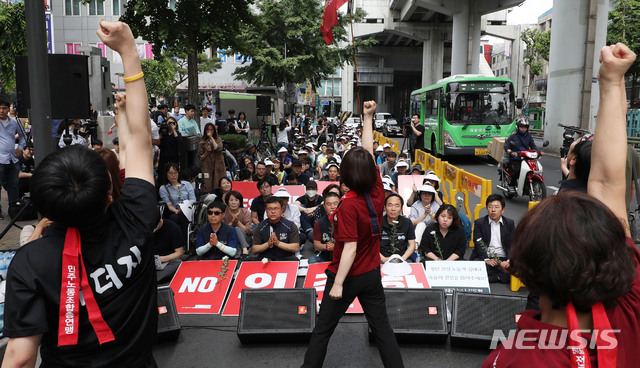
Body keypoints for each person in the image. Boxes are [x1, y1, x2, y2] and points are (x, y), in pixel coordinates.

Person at [2, 21, 159, 367]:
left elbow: (21, 356)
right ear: (108, 194)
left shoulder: (31, 263)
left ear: (46, 207)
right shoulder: (135, 216)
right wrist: (129, 52)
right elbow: (143, 141)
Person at [484, 43, 640, 368]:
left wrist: (610, 83)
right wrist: (612, 82)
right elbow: (610, 186)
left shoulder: (515, 359)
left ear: (527, 269)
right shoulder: (630, 307)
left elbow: (607, 187)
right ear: (613, 258)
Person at [303, 100, 403, 368]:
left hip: (346, 275)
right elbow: (369, 152)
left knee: (322, 331)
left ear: (346, 175)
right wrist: (367, 118)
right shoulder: (378, 190)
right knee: (382, 330)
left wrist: (337, 284)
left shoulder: (348, 206)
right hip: (371, 275)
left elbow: (349, 248)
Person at [470, 194, 515, 284]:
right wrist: (487, 260)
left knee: (519, 267)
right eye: (490, 207)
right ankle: (499, 277)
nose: (493, 210)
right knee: (476, 266)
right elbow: (478, 243)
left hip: (503, 257)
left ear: (503, 210)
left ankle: (490, 277)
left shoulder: (509, 223)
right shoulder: (479, 223)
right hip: (485, 257)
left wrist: (508, 261)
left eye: (496, 207)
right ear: (487, 208)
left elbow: (513, 243)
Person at [251, 196, 300, 261]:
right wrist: (268, 244)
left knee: (295, 260)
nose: (273, 212)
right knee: (248, 260)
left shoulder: (290, 225)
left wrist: (278, 243)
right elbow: (254, 249)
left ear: (281, 209)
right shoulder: (260, 226)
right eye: (270, 209)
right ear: (266, 210)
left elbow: (295, 248)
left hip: (284, 258)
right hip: (265, 258)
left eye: (276, 209)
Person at [159, 162, 197, 239]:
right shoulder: (163, 188)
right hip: (175, 210)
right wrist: (175, 210)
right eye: (170, 173)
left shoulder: (186, 184)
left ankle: (184, 240)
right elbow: (169, 204)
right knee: (174, 218)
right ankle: (177, 241)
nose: (173, 175)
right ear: (166, 174)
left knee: (183, 215)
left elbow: (193, 199)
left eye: (175, 172)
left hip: (189, 209)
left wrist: (186, 205)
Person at [504, 117, 539, 190]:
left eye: (525, 127)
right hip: (516, 158)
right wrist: (510, 151)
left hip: (526, 157)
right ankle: (512, 185)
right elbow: (506, 144)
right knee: (517, 170)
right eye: (521, 127)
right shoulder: (513, 136)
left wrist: (538, 152)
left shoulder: (528, 136)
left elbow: (533, 145)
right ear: (518, 127)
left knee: (534, 169)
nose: (523, 129)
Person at [380, 193, 416, 263]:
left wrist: (402, 258)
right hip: (382, 259)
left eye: (397, 206)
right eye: (390, 205)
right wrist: (383, 259)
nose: (393, 209)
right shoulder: (378, 222)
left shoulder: (407, 223)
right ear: (384, 207)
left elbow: (412, 245)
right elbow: (372, 245)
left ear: (401, 208)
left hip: (402, 258)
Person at [308, 192, 340, 264]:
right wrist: (327, 246)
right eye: (329, 204)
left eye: (335, 203)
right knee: (312, 260)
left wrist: (336, 246)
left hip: (343, 255)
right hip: (326, 256)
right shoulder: (319, 223)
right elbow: (316, 244)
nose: (332, 207)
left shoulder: (347, 220)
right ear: (324, 207)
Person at [152, 218, 184, 283]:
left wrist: (161, 259)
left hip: (168, 260)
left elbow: (179, 253)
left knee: (178, 263)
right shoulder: (143, 228)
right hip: (149, 260)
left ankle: (153, 279)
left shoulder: (173, 228)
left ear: (160, 221)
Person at [223, 191, 252, 257]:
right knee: (234, 230)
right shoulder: (224, 213)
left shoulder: (245, 212)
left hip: (246, 238)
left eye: (236, 200)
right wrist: (232, 223)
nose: (233, 202)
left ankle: (244, 248)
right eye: (231, 200)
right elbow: (222, 230)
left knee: (237, 229)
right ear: (227, 202)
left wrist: (238, 222)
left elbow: (248, 231)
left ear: (240, 202)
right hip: (229, 239)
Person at [199, 122, 225, 193]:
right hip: (207, 165)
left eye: (211, 130)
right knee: (207, 184)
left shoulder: (218, 139)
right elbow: (201, 157)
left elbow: (218, 148)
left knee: (219, 183)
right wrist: (207, 152)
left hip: (218, 164)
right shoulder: (202, 142)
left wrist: (211, 137)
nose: (210, 131)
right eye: (208, 130)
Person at [158, 116, 182, 186]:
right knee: (162, 177)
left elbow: (180, 143)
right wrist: (161, 134)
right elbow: (160, 145)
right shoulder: (164, 133)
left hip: (174, 158)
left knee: (173, 176)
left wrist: (174, 131)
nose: (171, 125)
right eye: (169, 123)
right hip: (164, 159)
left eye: (173, 123)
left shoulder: (177, 133)